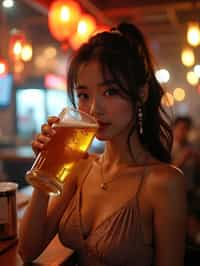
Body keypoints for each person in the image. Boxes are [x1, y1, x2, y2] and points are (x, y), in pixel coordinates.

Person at [19, 23, 186, 266]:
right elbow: (28, 250)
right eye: (84, 95)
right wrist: (46, 170)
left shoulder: (163, 182)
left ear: (141, 94)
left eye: (110, 91)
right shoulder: (80, 167)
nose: (94, 109)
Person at [172, 116, 200, 192]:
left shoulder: (192, 146)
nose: (184, 132)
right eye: (181, 128)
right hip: (174, 190)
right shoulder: (169, 148)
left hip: (190, 189)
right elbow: (166, 171)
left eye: (187, 129)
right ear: (174, 128)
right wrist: (182, 159)